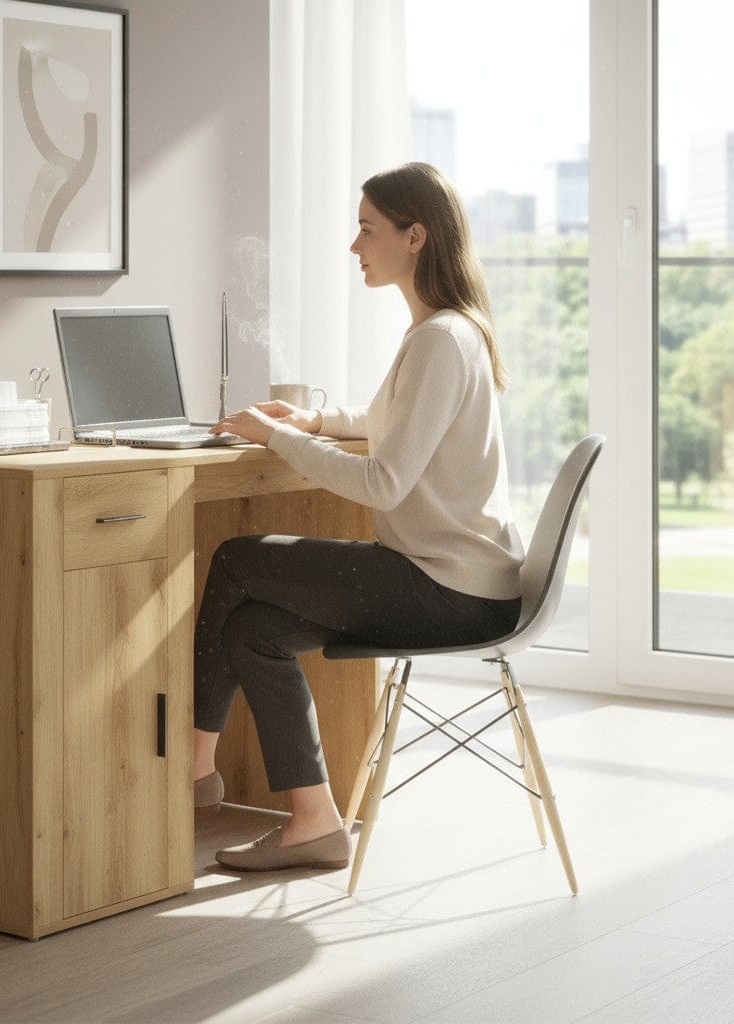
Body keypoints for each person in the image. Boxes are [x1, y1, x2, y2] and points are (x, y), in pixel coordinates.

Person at [195, 162, 525, 872]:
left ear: (415, 237)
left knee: (234, 557)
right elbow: (394, 425)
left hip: (448, 590)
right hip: (456, 585)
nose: (355, 247)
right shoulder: (445, 332)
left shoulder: (441, 339)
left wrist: (276, 438)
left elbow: (385, 479)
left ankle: (194, 764)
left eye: (367, 230)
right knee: (254, 630)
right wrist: (312, 417)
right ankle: (313, 824)